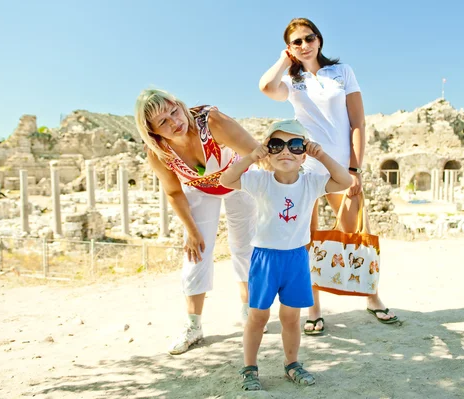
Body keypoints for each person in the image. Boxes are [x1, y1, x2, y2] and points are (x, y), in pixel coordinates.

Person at [259, 17, 399, 335]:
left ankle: (372, 297)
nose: (305, 45)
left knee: (355, 233)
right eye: (297, 42)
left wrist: (355, 168)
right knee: (305, 239)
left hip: (340, 167)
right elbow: (266, 87)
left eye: (309, 38)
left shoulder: (342, 72)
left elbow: (358, 122)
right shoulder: (291, 81)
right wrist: (285, 60)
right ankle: (315, 309)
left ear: (319, 40)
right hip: (304, 167)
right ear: (290, 48)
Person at [220, 120, 352, 390]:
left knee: (291, 318)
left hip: (295, 259)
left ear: (304, 153)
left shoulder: (311, 183)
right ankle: (250, 367)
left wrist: (322, 155)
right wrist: (251, 156)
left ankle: (292, 363)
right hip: (265, 259)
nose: (286, 152)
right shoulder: (260, 180)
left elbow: (345, 180)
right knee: (258, 317)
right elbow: (226, 179)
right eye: (276, 145)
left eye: (295, 145)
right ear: (268, 151)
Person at [135, 88, 261, 355]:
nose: (175, 122)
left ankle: (249, 309)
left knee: (243, 246)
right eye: (163, 122)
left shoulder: (211, 121)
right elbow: (173, 191)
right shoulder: (158, 151)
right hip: (200, 189)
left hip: (239, 179)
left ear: (179, 104)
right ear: (153, 131)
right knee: (196, 251)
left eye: (174, 111)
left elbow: (255, 152)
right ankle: (193, 325)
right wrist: (191, 231)